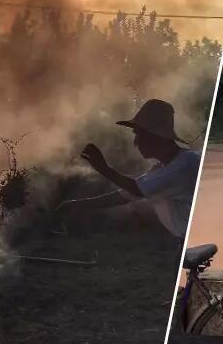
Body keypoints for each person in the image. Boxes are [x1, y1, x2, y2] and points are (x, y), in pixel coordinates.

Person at [56, 99, 201, 244]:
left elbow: (136, 189)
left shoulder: (184, 165)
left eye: (138, 134)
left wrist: (103, 168)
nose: (135, 142)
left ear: (156, 136)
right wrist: (78, 203)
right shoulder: (163, 168)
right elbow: (125, 194)